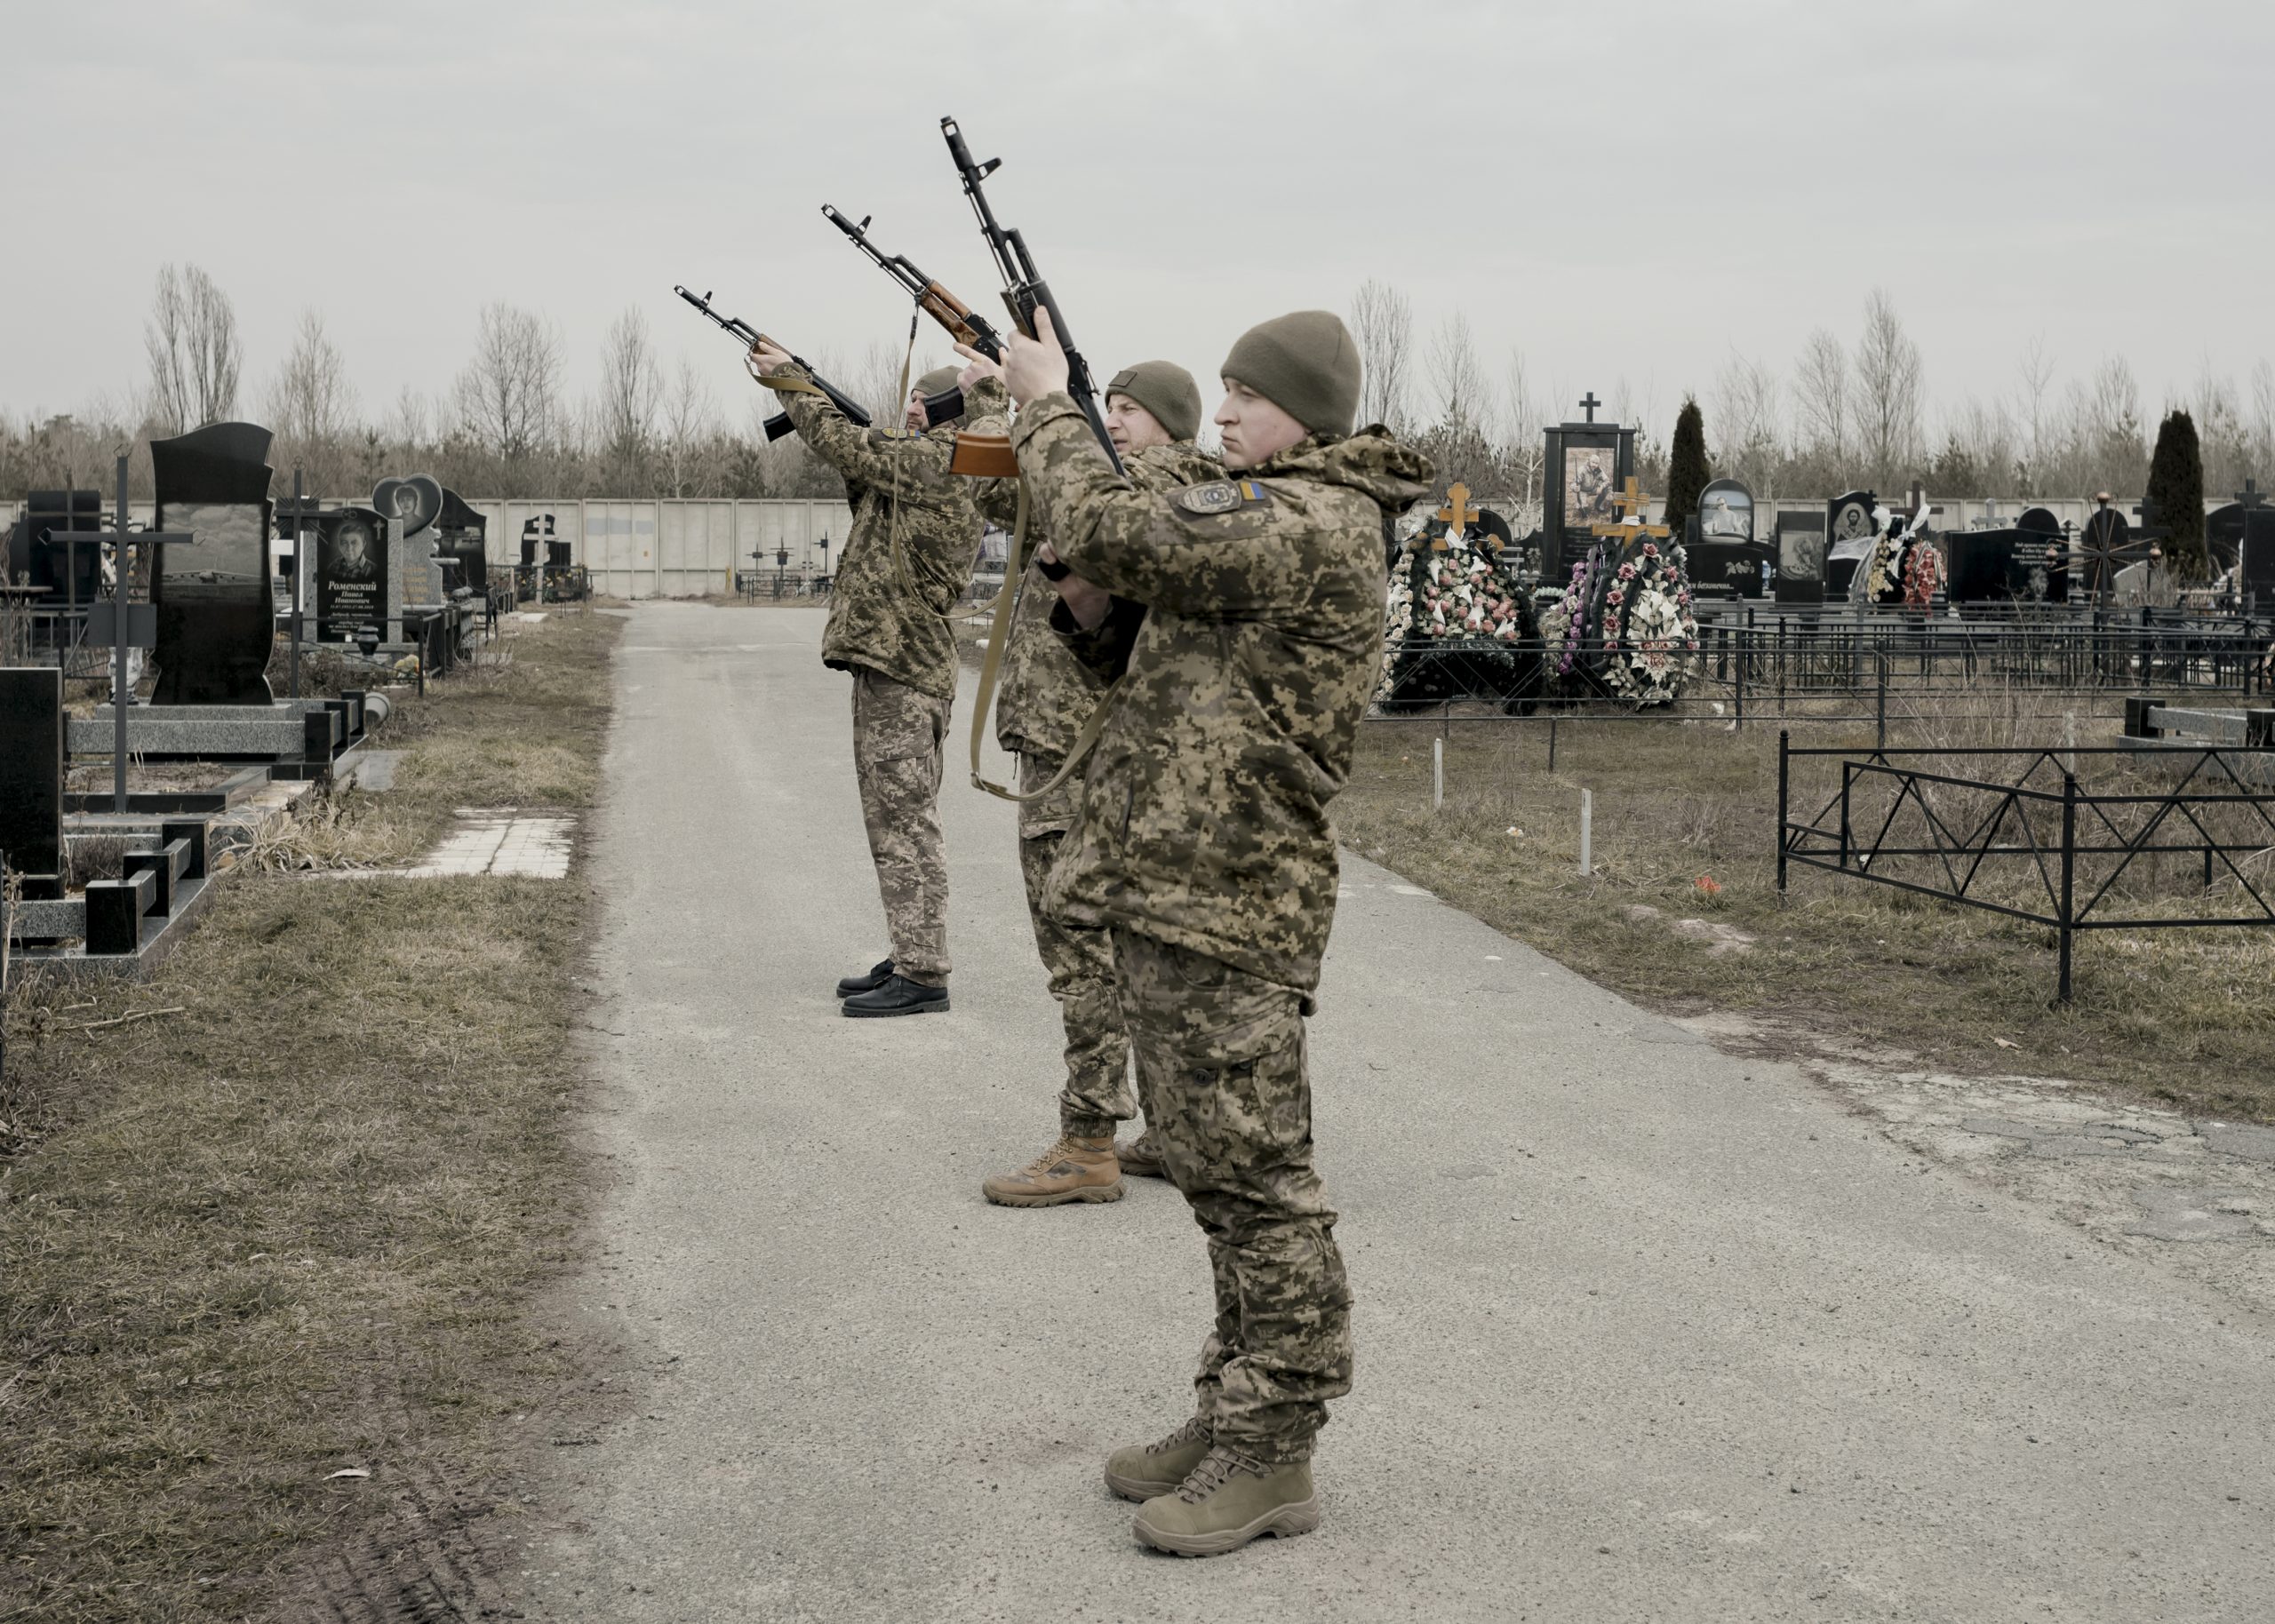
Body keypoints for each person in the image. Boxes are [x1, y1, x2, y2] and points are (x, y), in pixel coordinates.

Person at [993, 307, 1430, 1555]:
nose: (1226, 412)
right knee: (1212, 1180)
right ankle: (1229, 1412)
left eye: (1249, 395)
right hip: (1175, 887)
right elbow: (1149, 629)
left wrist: (1046, 408)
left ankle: (1276, 1450)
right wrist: (1090, 611)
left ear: (1312, 416)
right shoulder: (1269, 512)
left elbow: (1114, 519)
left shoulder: (1317, 520)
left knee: (1259, 1187)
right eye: (1224, 390)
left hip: (1237, 899)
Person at [959, 359, 1223, 1209]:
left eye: (1125, 413)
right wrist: (1004, 402)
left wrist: (1048, 412)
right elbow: (1009, 492)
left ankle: (1087, 1140)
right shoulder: (1109, 487)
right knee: (1133, 953)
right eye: (1101, 409)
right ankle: (1176, 1133)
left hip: (1082, 757)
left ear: (1172, 430)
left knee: (1079, 953)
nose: (1108, 425)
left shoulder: (1163, 477)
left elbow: (1085, 477)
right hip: (1074, 749)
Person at [747, 341, 1008, 1016]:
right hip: (896, 663)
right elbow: (867, 478)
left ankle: (923, 974)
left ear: (953, 408)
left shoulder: (943, 461)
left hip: (905, 666)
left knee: (905, 821)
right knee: (894, 818)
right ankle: (911, 951)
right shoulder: (930, 467)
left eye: (926, 401)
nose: (912, 410)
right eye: (910, 401)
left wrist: (790, 384)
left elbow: (847, 444)